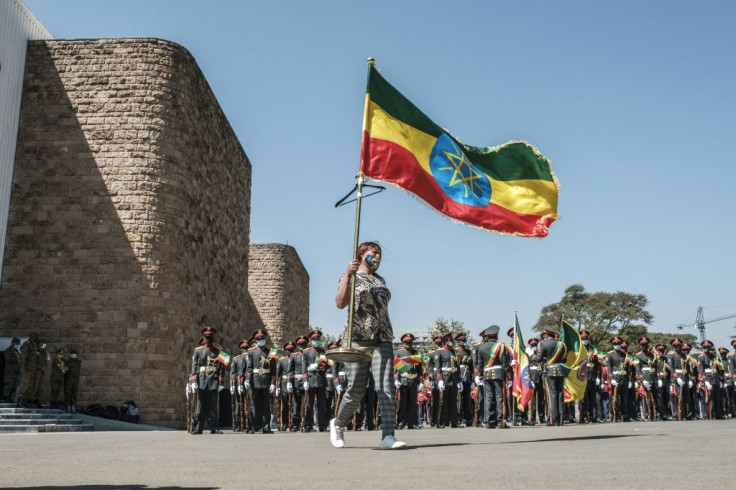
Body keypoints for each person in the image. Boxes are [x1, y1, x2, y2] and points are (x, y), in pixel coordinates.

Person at [330, 241, 405, 450]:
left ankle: (388, 436)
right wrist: (348, 274)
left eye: (379, 253)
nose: (378, 257)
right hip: (358, 337)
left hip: (383, 337)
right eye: (374, 253)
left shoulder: (380, 280)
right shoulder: (352, 276)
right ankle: (338, 423)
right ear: (361, 254)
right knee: (356, 388)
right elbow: (340, 302)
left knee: (386, 386)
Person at [188, 326, 225, 434]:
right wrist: (193, 381)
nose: (208, 340)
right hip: (201, 381)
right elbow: (194, 367)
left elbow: (222, 368)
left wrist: (221, 382)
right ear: (204, 339)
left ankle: (214, 427)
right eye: (206, 338)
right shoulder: (198, 351)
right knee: (200, 406)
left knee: (213, 406)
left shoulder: (219, 352)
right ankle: (198, 427)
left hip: (213, 381)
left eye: (210, 337)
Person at [474, 325, 507, 429]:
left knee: (489, 397)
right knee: (499, 397)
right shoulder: (500, 346)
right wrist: (507, 374)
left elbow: (479, 364)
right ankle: (500, 422)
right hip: (498, 373)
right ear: (496, 335)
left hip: (487, 374)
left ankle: (490, 422)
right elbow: (505, 362)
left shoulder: (481, 347)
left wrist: (480, 376)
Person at [245, 329, 276, 434]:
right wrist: (247, 380)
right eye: (259, 339)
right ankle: (254, 426)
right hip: (255, 380)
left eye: (262, 339)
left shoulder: (271, 353)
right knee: (254, 405)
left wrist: (273, 383)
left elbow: (273, 370)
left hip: (266, 381)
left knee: (266, 405)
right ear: (256, 340)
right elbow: (249, 368)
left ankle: (266, 426)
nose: (261, 340)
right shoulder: (251, 352)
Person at [537, 326, 566, 426]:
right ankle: (561, 420)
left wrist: (538, 357)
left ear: (547, 334)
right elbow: (564, 358)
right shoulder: (561, 345)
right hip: (560, 371)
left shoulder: (544, 344)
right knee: (560, 395)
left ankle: (554, 419)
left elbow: (538, 359)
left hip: (550, 371)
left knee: (552, 395)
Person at [394, 333, 423, 430]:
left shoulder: (416, 353)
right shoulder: (399, 353)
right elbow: (396, 367)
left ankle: (412, 422)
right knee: (403, 402)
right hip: (403, 380)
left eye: (410, 342)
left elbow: (419, 368)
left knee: (412, 402)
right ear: (403, 342)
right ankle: (401, 421)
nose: (408, 343)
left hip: (413, 380)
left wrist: (421, 381)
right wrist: (396, 379)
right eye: (406, 342)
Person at [302, 329, 328, 432]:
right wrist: (305, 380)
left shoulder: (322, 351)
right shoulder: (306, 352)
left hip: (321, 380)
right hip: (311, 380)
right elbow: (304, 367)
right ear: (311, 340)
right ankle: (308, 425)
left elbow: (326, 364)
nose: (317, 341)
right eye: (314, 339)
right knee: (309, 403)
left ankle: (322, 425)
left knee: (322, 404)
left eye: (318, 339)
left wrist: (318, 365)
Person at [287, 335, 309, 431]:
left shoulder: (309, 355)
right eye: (300, 344)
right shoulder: (294, 356)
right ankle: (296, 423)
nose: (301, 346)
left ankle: (306, 423)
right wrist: (288, 382)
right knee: (297, 404)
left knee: (307, 403)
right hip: (297, 382)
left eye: (303, 344)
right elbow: (290, 370)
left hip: (308, 382)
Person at [17, 333, 41, 408]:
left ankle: (25, 401)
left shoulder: (34, 346)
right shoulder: (27, 344)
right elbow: (23, 357)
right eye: (35, 337)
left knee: (30, 385)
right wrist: (22, 368)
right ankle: (19, 401)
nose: (36, 339)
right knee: (24, 384)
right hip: (27, 369)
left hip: (32, 369)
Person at [455, 333, 473, 427]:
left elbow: (472, 366)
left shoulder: (469, 352)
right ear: (459, 342)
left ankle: (468, 419)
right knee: (458, 400)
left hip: (468, 377)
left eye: (465, 341)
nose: (464, 343)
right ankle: (458, 418)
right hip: (460, 376)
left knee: (467, 400)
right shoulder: (455, 351)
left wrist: (473, 379)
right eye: (462, 341)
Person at [230, 340, 249, 432]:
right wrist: (232, 385)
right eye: (243, 348)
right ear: (241, 349)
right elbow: (233, 373)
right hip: (238, 382)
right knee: (238, 404)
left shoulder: (250, 358)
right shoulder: (236, 359)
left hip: (248, 382)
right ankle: (238, 423)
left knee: (248, 404)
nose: (245, 350)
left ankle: (248, 422)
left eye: (246, 348)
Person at [276, 342, 295, 431]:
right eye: (288, 350)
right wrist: (278, 386)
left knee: (294, 405)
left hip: (294, 383)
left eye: (291, 350)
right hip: (284, 385)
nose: (289, 352)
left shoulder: (295, 359)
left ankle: (294, 423)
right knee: (285, 405)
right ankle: (284, 423)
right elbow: (278, 375)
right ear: (285, 351)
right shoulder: (281, 360)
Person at [3, 338, 21, 404]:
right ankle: (6, 397)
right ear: (13, 342)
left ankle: (11, 398)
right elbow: (8, 359)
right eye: (17, 344)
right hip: (9, 371)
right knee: (9, 384)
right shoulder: (8, 350)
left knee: (14, 385)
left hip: (15, 371)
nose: (17, 345)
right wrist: (17, 360)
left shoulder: (15, 350)